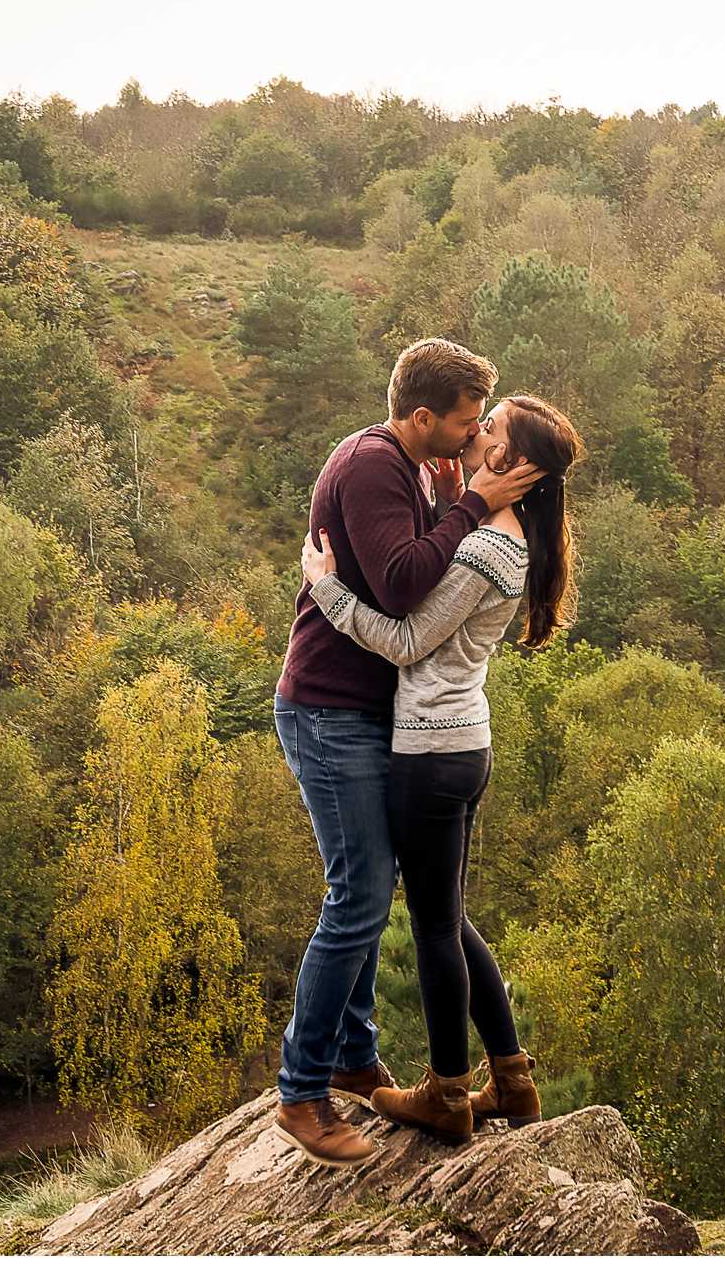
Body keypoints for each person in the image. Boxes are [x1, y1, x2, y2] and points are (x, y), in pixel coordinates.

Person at [269, 340, 547, 1167]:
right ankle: (301, 1091)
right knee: (357, 898)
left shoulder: (425, 471)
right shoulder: (371, 465)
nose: (471, 438)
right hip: (330, 708)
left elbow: (423, 583)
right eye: (466, 422)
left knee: (375, 892)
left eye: (481, 427)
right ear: (422, 415)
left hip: (376, 714)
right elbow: (399, 588)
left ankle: (354, 1054)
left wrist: (458, 499)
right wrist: (469, 504)